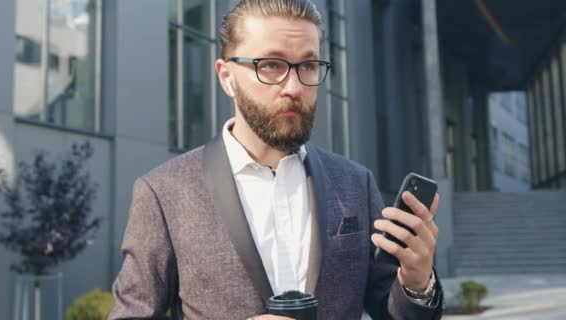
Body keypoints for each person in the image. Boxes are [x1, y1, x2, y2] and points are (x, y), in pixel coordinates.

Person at [109, 0, 444, 319]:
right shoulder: (164, 193)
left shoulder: (355, 182)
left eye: (308, 65)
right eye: (271, 65)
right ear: (227, 77)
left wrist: (415, 283)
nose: (294, 87)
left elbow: (390, 309)